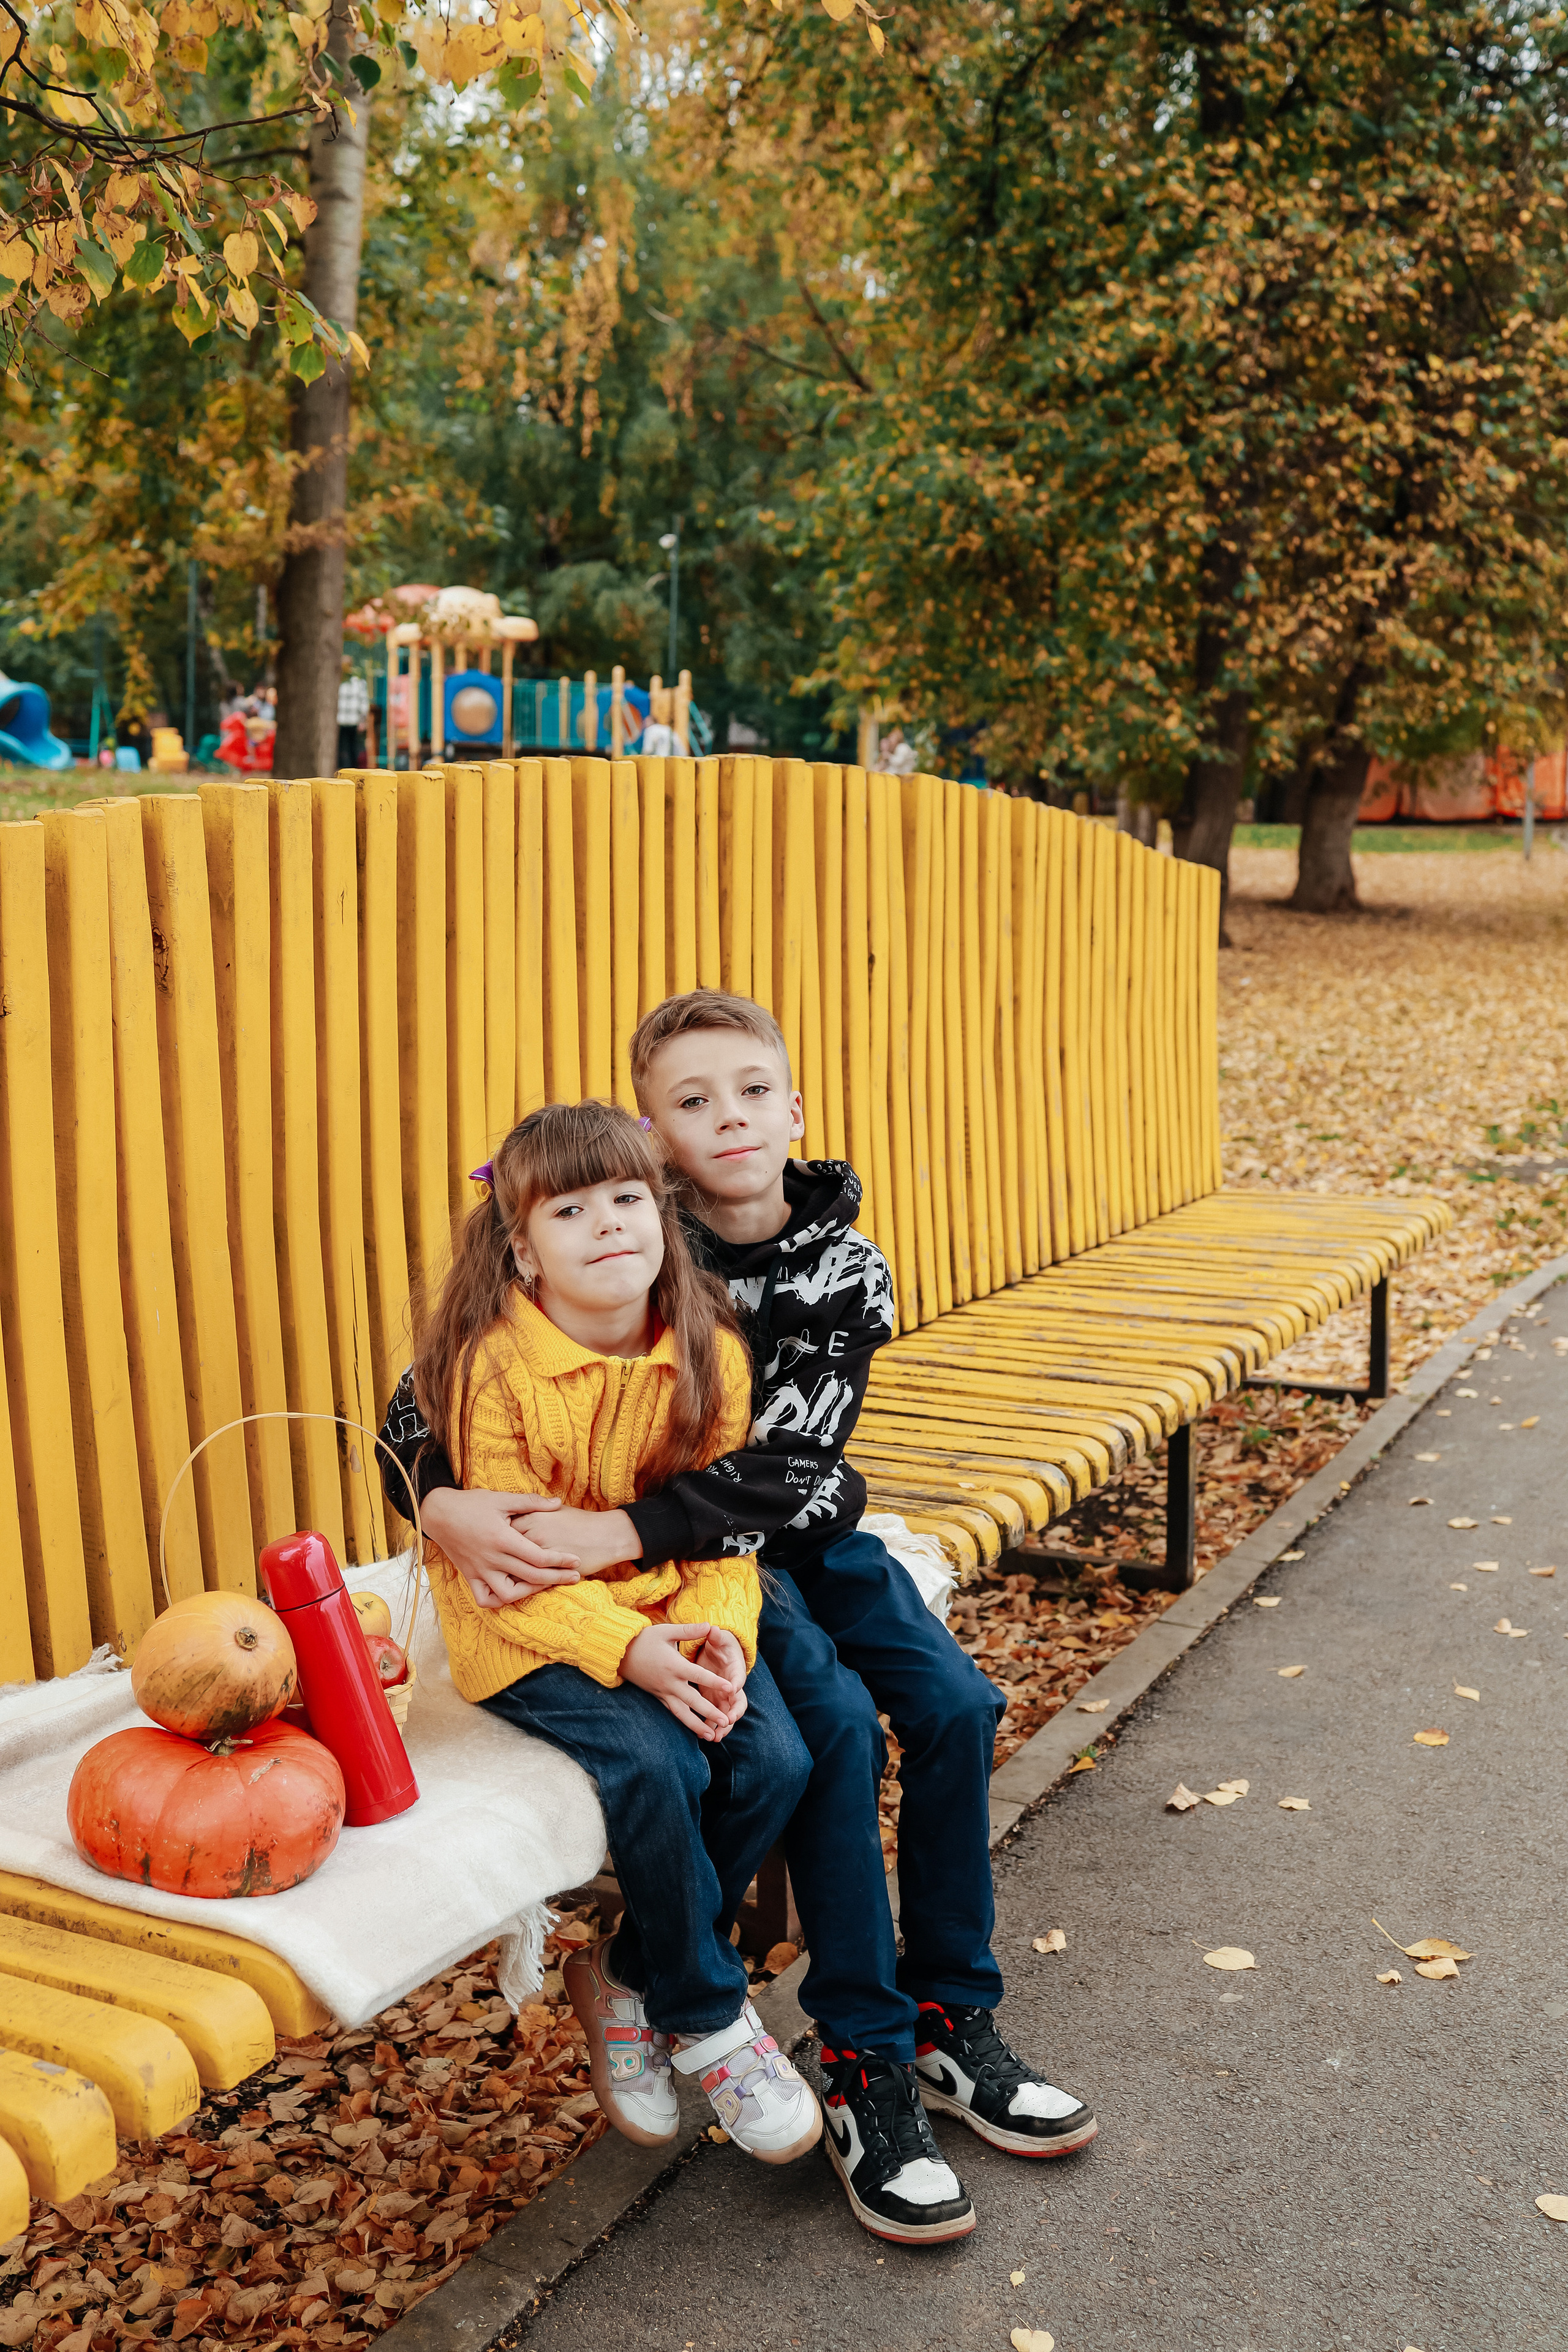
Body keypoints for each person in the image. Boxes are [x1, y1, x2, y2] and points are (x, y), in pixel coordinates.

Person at [381, 994, 1096, 2247]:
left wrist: (625, 1534)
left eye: (752, 1091)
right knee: (820, 1729)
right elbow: (417, 1403)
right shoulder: (634, 1242)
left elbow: (806, 1472)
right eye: (692, 1103)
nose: (728, 1120)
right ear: (654, 1142)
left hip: (774, 1548)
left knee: (957, 1705)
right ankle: (863, 2063)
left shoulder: (834, 1264)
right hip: (713, 1575)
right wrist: (438, 1504)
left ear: (794, 1106)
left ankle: (949, 2022)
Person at [407, 1097, 821, 2166]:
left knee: (772, 1756)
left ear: (665, 1214)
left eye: (629, 1198)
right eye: (571, 1210)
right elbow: (517, 1563)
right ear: (522, 1248)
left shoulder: (708, 1350)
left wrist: (715, 1639)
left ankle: (628, 1976)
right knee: (654, 1765)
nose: (608, 1226)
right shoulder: (492, 1368)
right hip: (527, 1626)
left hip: (681, 1607)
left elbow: (721, 1537)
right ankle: (711, 2017)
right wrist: (629, 1652)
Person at [337, 659, 370, 767]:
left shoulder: (358, 683)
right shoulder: (338, 682)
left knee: (354, 749)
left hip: (353, 722)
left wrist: (363, 721)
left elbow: (364, 704)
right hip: (341, 721)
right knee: (342, 750)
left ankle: (354, 770)